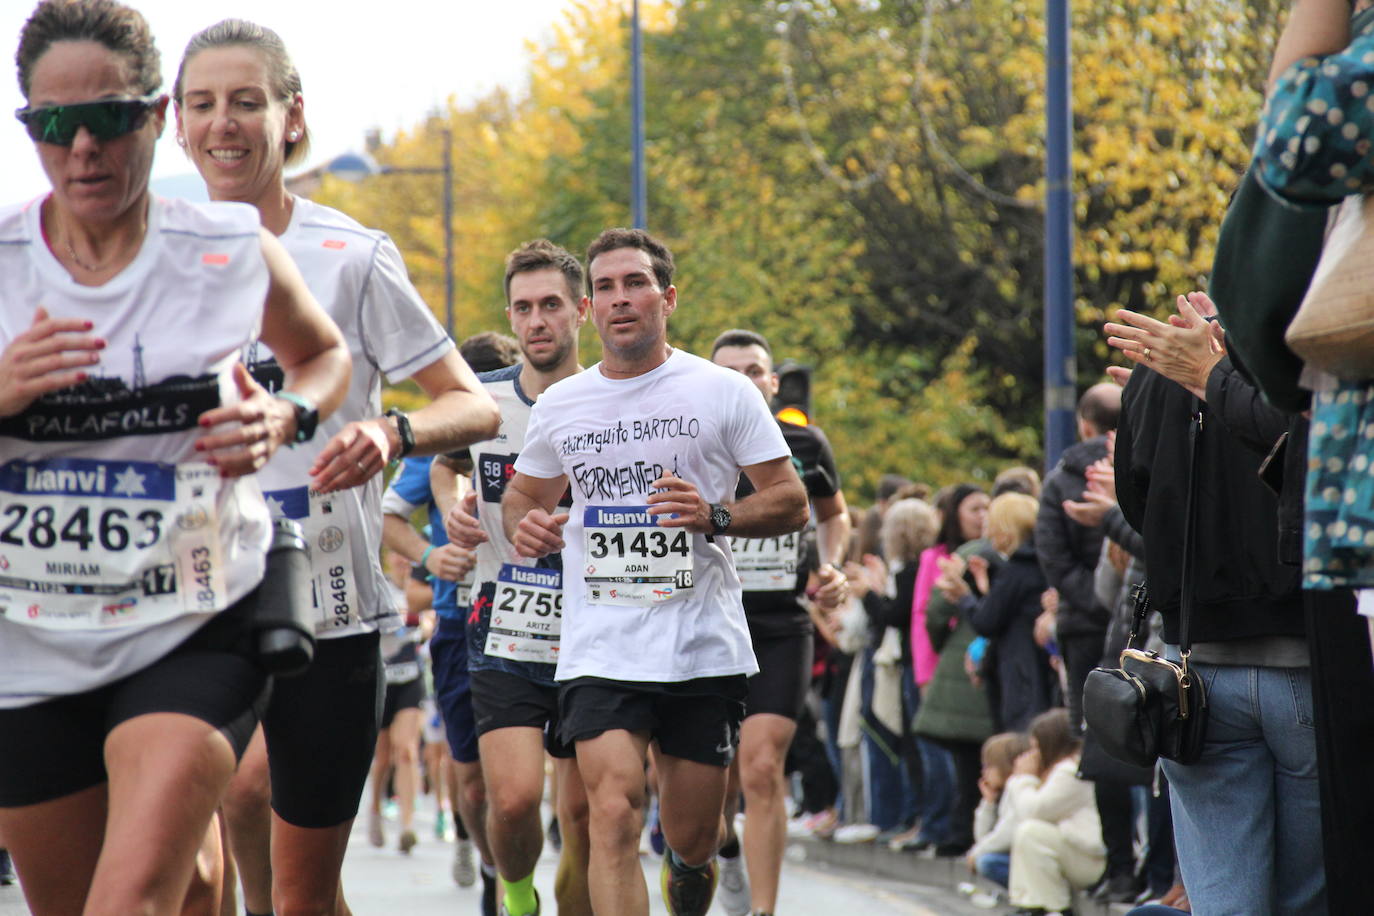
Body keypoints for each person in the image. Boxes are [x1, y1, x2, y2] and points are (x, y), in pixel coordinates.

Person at [0, 2, 353, 912]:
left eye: (110, 118)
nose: (83, 146)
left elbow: (323, 357)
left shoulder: (229, 249)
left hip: (196, 614)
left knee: (126, 902)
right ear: (28, 125)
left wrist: (285, 415)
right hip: (29, 635)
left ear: (156, 117)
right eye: (53, 125)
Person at [173, 19, 500, 916]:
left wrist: (392, 434)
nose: (224, 123)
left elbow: (474, 402)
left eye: (247, 101)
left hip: (333, 609)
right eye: (202, 104)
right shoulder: (151, 256)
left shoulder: (351, 254)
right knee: (234, 800)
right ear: (176, 123)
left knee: (306, 892)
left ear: (291, 117)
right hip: (194, 601)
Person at [502, 228, 809, 916]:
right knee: (611, 815)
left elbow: (790, 501)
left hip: (700, 645)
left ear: (666, 298)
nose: (619, 300)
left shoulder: (723, 391)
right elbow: (525, 495)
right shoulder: (562, 405)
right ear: (590, 306)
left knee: (693, 836)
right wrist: (524, 523)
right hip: (601, 644)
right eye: (605, 288)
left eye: (634, 284)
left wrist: (715, 516)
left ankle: (692, 869)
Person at [1109, 293, 1322, 915]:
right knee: (1310, 890)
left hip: (1194, 666)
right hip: (1302, 655)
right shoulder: (1316, 359)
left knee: (1224, 894)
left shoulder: (1157, 368)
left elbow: (1135, 500)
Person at [440, 239, 594, 916]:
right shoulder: (482, 402)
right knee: (512, 799)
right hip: (505, 612)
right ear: (510, 313)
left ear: (579, 311)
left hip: (601, 618)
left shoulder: (612, 398)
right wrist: (454, 508)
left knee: (590, 814)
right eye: (524, 307)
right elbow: (444, 465)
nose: (537, 321)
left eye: (551, 305)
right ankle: (516, 892)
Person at [709, 328, 851, 916]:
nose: (745, 380)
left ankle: (764, 910)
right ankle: (725, 848)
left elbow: (833, 516)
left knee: (762, 764)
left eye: (755, 370)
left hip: (781, 623)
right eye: (731, 370)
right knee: (711, 784)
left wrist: (832, 566)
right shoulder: (690, 440)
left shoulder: (805, 444)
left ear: (772, 382)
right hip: (708, 621)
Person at [1034, 384, 1119, 733]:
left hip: (1081, 624)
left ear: (1085, 424)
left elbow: (1053, 556)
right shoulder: (1145, 465)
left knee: (1088, 732)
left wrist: (1091, 598)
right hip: (1137, 618)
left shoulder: (1059, 482)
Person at [968, 493, 1055, 732]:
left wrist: (964, 597)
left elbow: (986, 621)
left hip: (1022, 672)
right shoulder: (1043, 561)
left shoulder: (1017, 568)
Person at [1004, 709, 1105, 916]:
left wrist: (1021, 778)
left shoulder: (1069, 772)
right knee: (1026, 834)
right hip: (1079, 853)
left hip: (1091, 860)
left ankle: (1052, 907)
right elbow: (1012, 819)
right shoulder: (1059, 771)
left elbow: (1032, 811)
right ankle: (1031, 905)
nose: (1032, 755)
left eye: (1036, 747)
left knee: (1031, 832)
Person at [965, 731, 1032, 889]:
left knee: (988, 862)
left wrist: (975, 853)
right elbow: (983, 838)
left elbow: (1006, 834)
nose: (984, 773)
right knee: (985, 858)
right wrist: (988, 803)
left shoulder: (1019, 787)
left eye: (989, 766)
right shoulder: (1005, 792)